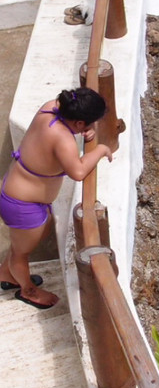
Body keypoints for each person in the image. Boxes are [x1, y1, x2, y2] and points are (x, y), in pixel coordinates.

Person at [0, 87, 113, 309]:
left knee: (23, 244)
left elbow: (65, 135)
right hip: (22, 204)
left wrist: (84, 130)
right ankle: (27, 290)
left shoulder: (51, 107)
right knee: (21, 253)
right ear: (78, 123)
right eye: (89, 124)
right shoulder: (62, 139)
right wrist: (100, 149)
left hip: (18, 191)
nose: (91, 128)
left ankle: (7, 274)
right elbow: (78, 172)